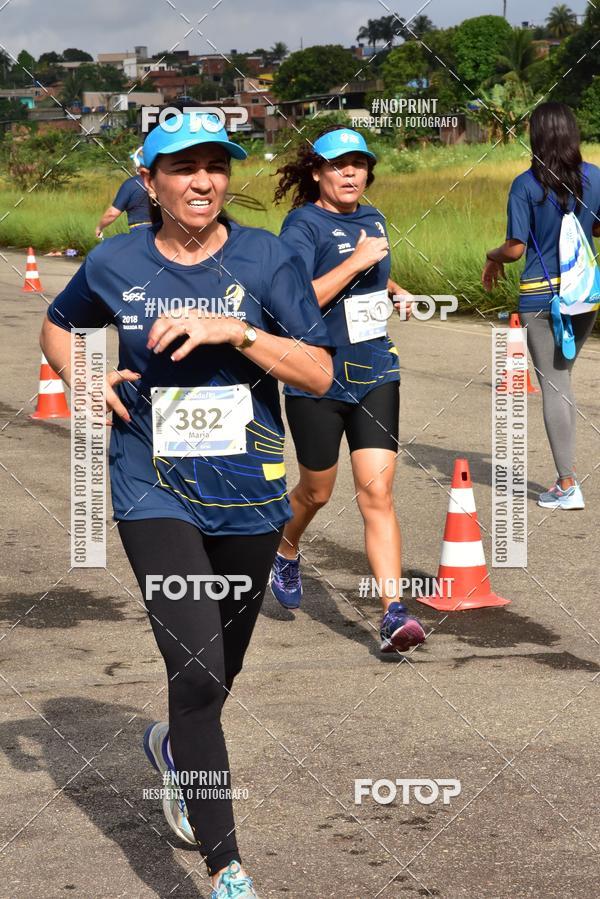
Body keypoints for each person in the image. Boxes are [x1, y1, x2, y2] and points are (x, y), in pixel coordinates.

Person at [40, 111, 333, 898]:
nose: (203, 181)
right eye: (182, 167)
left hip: (250, 495)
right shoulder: (115, 260)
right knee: (198, 668)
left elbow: (315, 373)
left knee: (217, 674)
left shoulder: (268, 256)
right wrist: (81, 376)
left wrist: (234, 331)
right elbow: (60, 324)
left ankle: (175, 748)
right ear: (150, 181)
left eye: (215, 165)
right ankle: (226, 866)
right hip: (151, 485)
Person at [270, 125, 426, 654]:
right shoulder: (302, 225)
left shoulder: (373, 217)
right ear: (317, 172)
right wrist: (355, 262)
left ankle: (393, 613)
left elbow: (371, 278)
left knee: (377, 493)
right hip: (316, 374)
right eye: (339, 165)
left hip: (375, 371)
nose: (351, 173)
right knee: (317, 490)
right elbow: (293, 301)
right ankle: (285, 547)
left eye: (359, 164)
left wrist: (394, 287)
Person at [483, 101, 600, 510]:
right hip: (584, 298)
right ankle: (566, 481)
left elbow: (515, 249)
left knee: (555, 384)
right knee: (562, 379)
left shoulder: (526, 185)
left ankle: (567, 485)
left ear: (537, 136)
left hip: (540, 296)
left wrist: (491, 255)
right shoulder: (595, 178)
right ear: (572, 134)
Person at [95, 148, 151, 238]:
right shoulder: (162, 182)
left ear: (138, 164)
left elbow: (112, 213)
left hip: (140, 231)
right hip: (163, 230)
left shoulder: (130, 184)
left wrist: (99, 227)